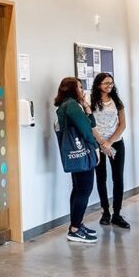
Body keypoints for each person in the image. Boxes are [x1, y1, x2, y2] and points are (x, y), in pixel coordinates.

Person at [54, 77, 100, 243]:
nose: (82, 90)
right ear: (72, 89)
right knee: (84, 190)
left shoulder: (66, 105)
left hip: (75, 153)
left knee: (78, 188)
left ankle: (76, 225)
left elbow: (89, 122)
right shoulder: (71, 105)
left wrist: (87, 107)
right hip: (82, 151)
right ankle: (74, 229)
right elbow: (86, 129)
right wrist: (95, 147)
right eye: (80, 87)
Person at [90, 73, 130, 229]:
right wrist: (102, 143)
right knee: (101, 177)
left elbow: (122, 125)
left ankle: (117, 214)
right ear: (98, 84)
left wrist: (110, 142)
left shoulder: (117, 102)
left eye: (111, 83)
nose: (109, 86)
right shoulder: (91, 101)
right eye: (106, 83)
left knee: (118, 178)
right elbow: (90, 124)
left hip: (116, 143)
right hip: (98, 144)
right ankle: (105, 212)